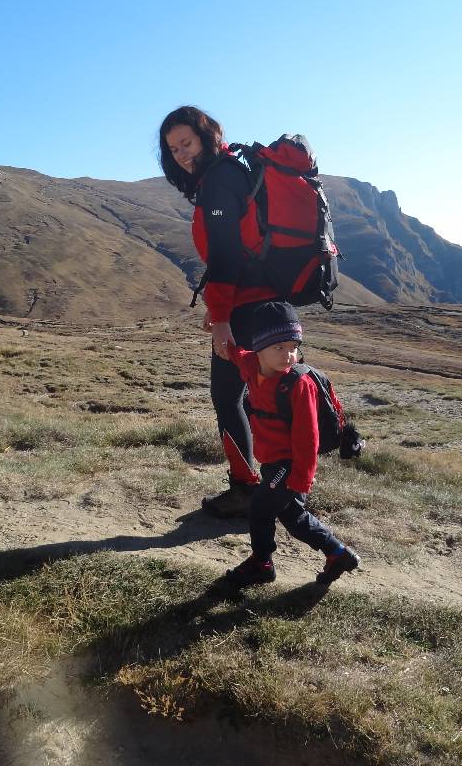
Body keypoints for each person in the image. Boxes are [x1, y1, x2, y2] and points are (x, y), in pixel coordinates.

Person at [159, 105, 279, 518]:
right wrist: (218, 307)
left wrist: (223, 319)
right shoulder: (232, 171)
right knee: (256, 397)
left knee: (228, 399)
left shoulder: (219, 179)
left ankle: (246, 490)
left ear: (206, 137)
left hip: (246, 307)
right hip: (264, 302)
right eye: (173, 149)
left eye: (186, 143)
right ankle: (278, 487)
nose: (181, 155)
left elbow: (226, 255)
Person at [221, 301, 360, 586]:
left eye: (293, 347)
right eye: (279, 347)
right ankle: (337, 553)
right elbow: (237, 354)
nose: (289, 355)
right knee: (294, 517)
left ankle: (262, 563)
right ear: (259, 348)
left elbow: (308, 438)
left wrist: (301, 479)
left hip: (290, 464)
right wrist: (223, 340)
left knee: (260, 509)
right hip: (272, 461)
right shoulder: (251, 365)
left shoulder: (299, 385)